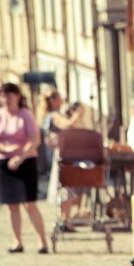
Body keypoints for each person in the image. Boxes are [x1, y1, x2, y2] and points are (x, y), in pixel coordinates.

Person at [0, 82, 49, 253]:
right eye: (2, 96)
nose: (5, 99)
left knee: (29, 203)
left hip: (26, 161)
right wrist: (3, 148)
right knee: (12, 204)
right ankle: (17, 241)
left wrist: (21, 157)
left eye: (9, 96)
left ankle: (42, 241)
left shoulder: (25, 115)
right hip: (3, 163)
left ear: (17, 96)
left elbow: (35, 140)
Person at [39, 86, 91, 231]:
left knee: (66, 187)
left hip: (63, 154)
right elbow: (68, 125)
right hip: (63, 155)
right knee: (66, 187)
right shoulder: (54, 115)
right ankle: (65, 220)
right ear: (55, 100)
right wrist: (77, 114)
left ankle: (64, 219)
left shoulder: (54, 115)